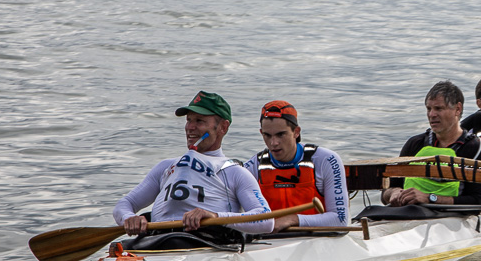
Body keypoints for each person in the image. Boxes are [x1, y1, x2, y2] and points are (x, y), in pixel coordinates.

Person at [113, 90, 274, 241]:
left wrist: (215, 217)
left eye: (199, 121)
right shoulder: (166, 167)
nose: (190, 127)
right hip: (158, 243)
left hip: (206, 243)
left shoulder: (235, 173)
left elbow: (266, 220)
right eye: (189, 120)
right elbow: (125, 204)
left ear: (223, 127)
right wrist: (129, 218)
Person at [242, 100, 349, 232]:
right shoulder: (252, 166)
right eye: (267, 135)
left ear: (296, 132)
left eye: (281, 134)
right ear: (261, 133)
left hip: (317, 239)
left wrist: (292, 219)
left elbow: (341, 220)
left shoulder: (326, 160)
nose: (273, 143)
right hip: (270, 242)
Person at [381, 80, 481, 207]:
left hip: (449, 218)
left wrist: (429, 198)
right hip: (409, 214)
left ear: (457, 109)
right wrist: (393, 193)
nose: (432, 115)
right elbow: (385, 193)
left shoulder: (474, 148)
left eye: (438, 108)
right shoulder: (415, 144)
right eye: (429, 109)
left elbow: (476, 201)